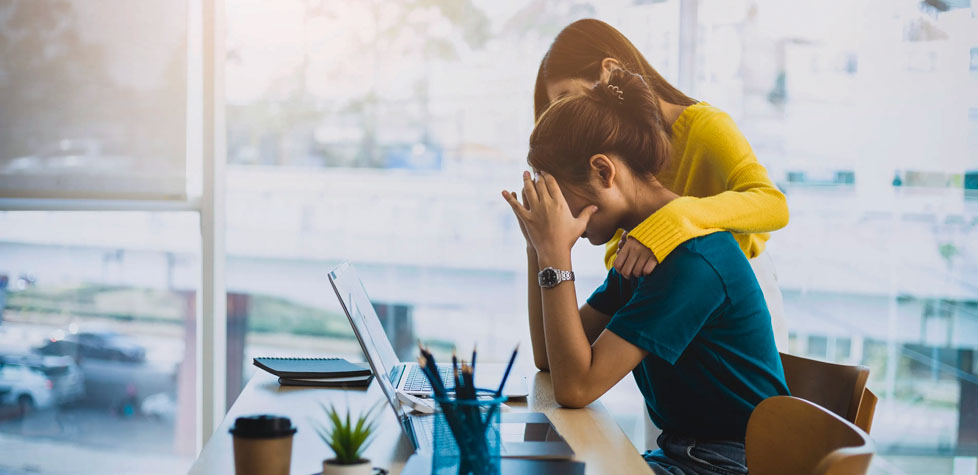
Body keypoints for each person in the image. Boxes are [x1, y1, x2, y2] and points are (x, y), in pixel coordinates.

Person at [502, 69, 789, 474]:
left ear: (604, 172)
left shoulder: (689, 260)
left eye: (559, 197)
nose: (558, 215)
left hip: (726, 466)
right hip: (683, 454)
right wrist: (537, 247)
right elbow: (550, 359)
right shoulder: (644, 246)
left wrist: (555, 256)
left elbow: (576, 387)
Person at [534, 19, 789, 350]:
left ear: (609, 72)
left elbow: (773, 204)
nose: (566, 116)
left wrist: (672, 219)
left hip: (731, 308)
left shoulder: (705, 127)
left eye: (567, 99)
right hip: (667, 299)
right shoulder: (616, 166)